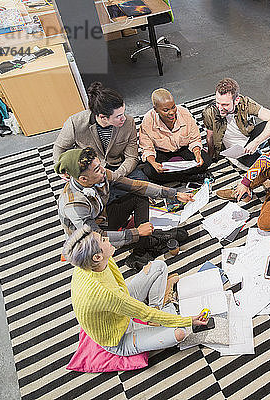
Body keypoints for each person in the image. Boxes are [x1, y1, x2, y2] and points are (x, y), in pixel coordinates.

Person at [63, 225, 207, 356]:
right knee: (180, 333)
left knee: (158, 266)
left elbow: (121, 287)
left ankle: (157, 307)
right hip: (119, 338)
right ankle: (161, 307)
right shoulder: (105, 293)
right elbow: (142, 312)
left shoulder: (91, 263)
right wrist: (189, 320)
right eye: (103, 240)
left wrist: (140, 306)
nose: (108, 239)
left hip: (119, 303)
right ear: (97, 256)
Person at [55, 147, 193, 263]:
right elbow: (96, 236)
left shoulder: (102, 174)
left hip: (103, 218)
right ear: (83, 179)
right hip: (87, 241)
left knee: (139, 196)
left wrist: (174, 194)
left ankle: (143, 244)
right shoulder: (74, 204)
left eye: (100, 165)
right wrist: (136, 232)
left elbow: (136, 186)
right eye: (97, 170)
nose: (103, 170)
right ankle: (145, 242)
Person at [53, 82, 147, 203]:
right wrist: (61, 170)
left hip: (117, 168)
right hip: (91, 171)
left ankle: (111, 198)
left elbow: (132, 157)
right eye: (118, 116)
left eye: (123, 113)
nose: (124, 118)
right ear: (103, 117)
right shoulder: (75, 123)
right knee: (82, 198)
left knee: (142, 181)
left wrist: (115, 175)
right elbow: (59, 147)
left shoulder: (128, 123)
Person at [202, 78, 270, 167]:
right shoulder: (209, 112)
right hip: (236, 151)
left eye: (225, 104)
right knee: (263, 165)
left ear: (236, 100)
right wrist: (211, 155)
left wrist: (255, 143)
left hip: (250, 138)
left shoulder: (245, 103)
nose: (220, 108)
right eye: (218, 103)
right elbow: (209, 136)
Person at [139, 88, 212, 183]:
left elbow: (194, 139)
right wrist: (154, 163)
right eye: (166, 110)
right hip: (162, 152)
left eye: (173, 107)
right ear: (156, 110)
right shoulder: (148, 121)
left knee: (206, 160)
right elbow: (147, 149)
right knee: (149, 171)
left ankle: (175, 177)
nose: (172, 112)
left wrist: (197, 153)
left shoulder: (184, 113)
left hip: (184, 148)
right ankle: (188, 177)